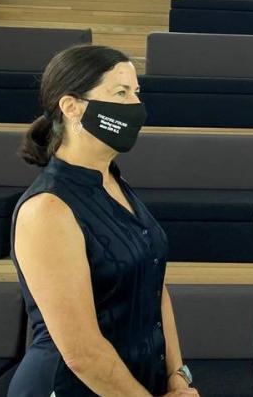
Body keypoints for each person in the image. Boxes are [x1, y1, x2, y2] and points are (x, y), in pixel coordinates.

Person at [11, 45, 198, 397]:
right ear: (71, 107)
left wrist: (177, 376)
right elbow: (82, 354)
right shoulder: (47, 208)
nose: (135, 105)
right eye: (121, 93)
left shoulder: (114, 182)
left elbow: (154, 286)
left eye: (136, 93)